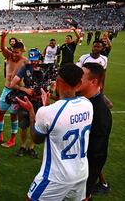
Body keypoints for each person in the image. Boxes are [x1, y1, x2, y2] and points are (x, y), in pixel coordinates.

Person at [17, 64, 93, 201]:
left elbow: (36, 138)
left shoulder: (47, 113)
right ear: (80, 83)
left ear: (57, 83)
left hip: (56, 177)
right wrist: (46, 107)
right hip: (81, 173)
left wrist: (32, 112)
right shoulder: (87, 104)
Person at [77, 63, 112, 201]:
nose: (77, 79)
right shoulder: (85, 101)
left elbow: (97, 152)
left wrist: (89, 178)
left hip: (85, 170)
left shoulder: (99, 112)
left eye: (81, 77)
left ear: (93, 81)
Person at [0, 31, 27, 147]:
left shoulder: (25, 61)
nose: (14, 54)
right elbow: (3, 48)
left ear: (22, 51)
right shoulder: (9, 56)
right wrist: (3, 37)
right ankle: (0, 135)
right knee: (0, 113)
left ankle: (12, 139)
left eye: (17, 53)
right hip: (6, 90)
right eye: (13, 52)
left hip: (16, 91)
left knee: (13, 115)